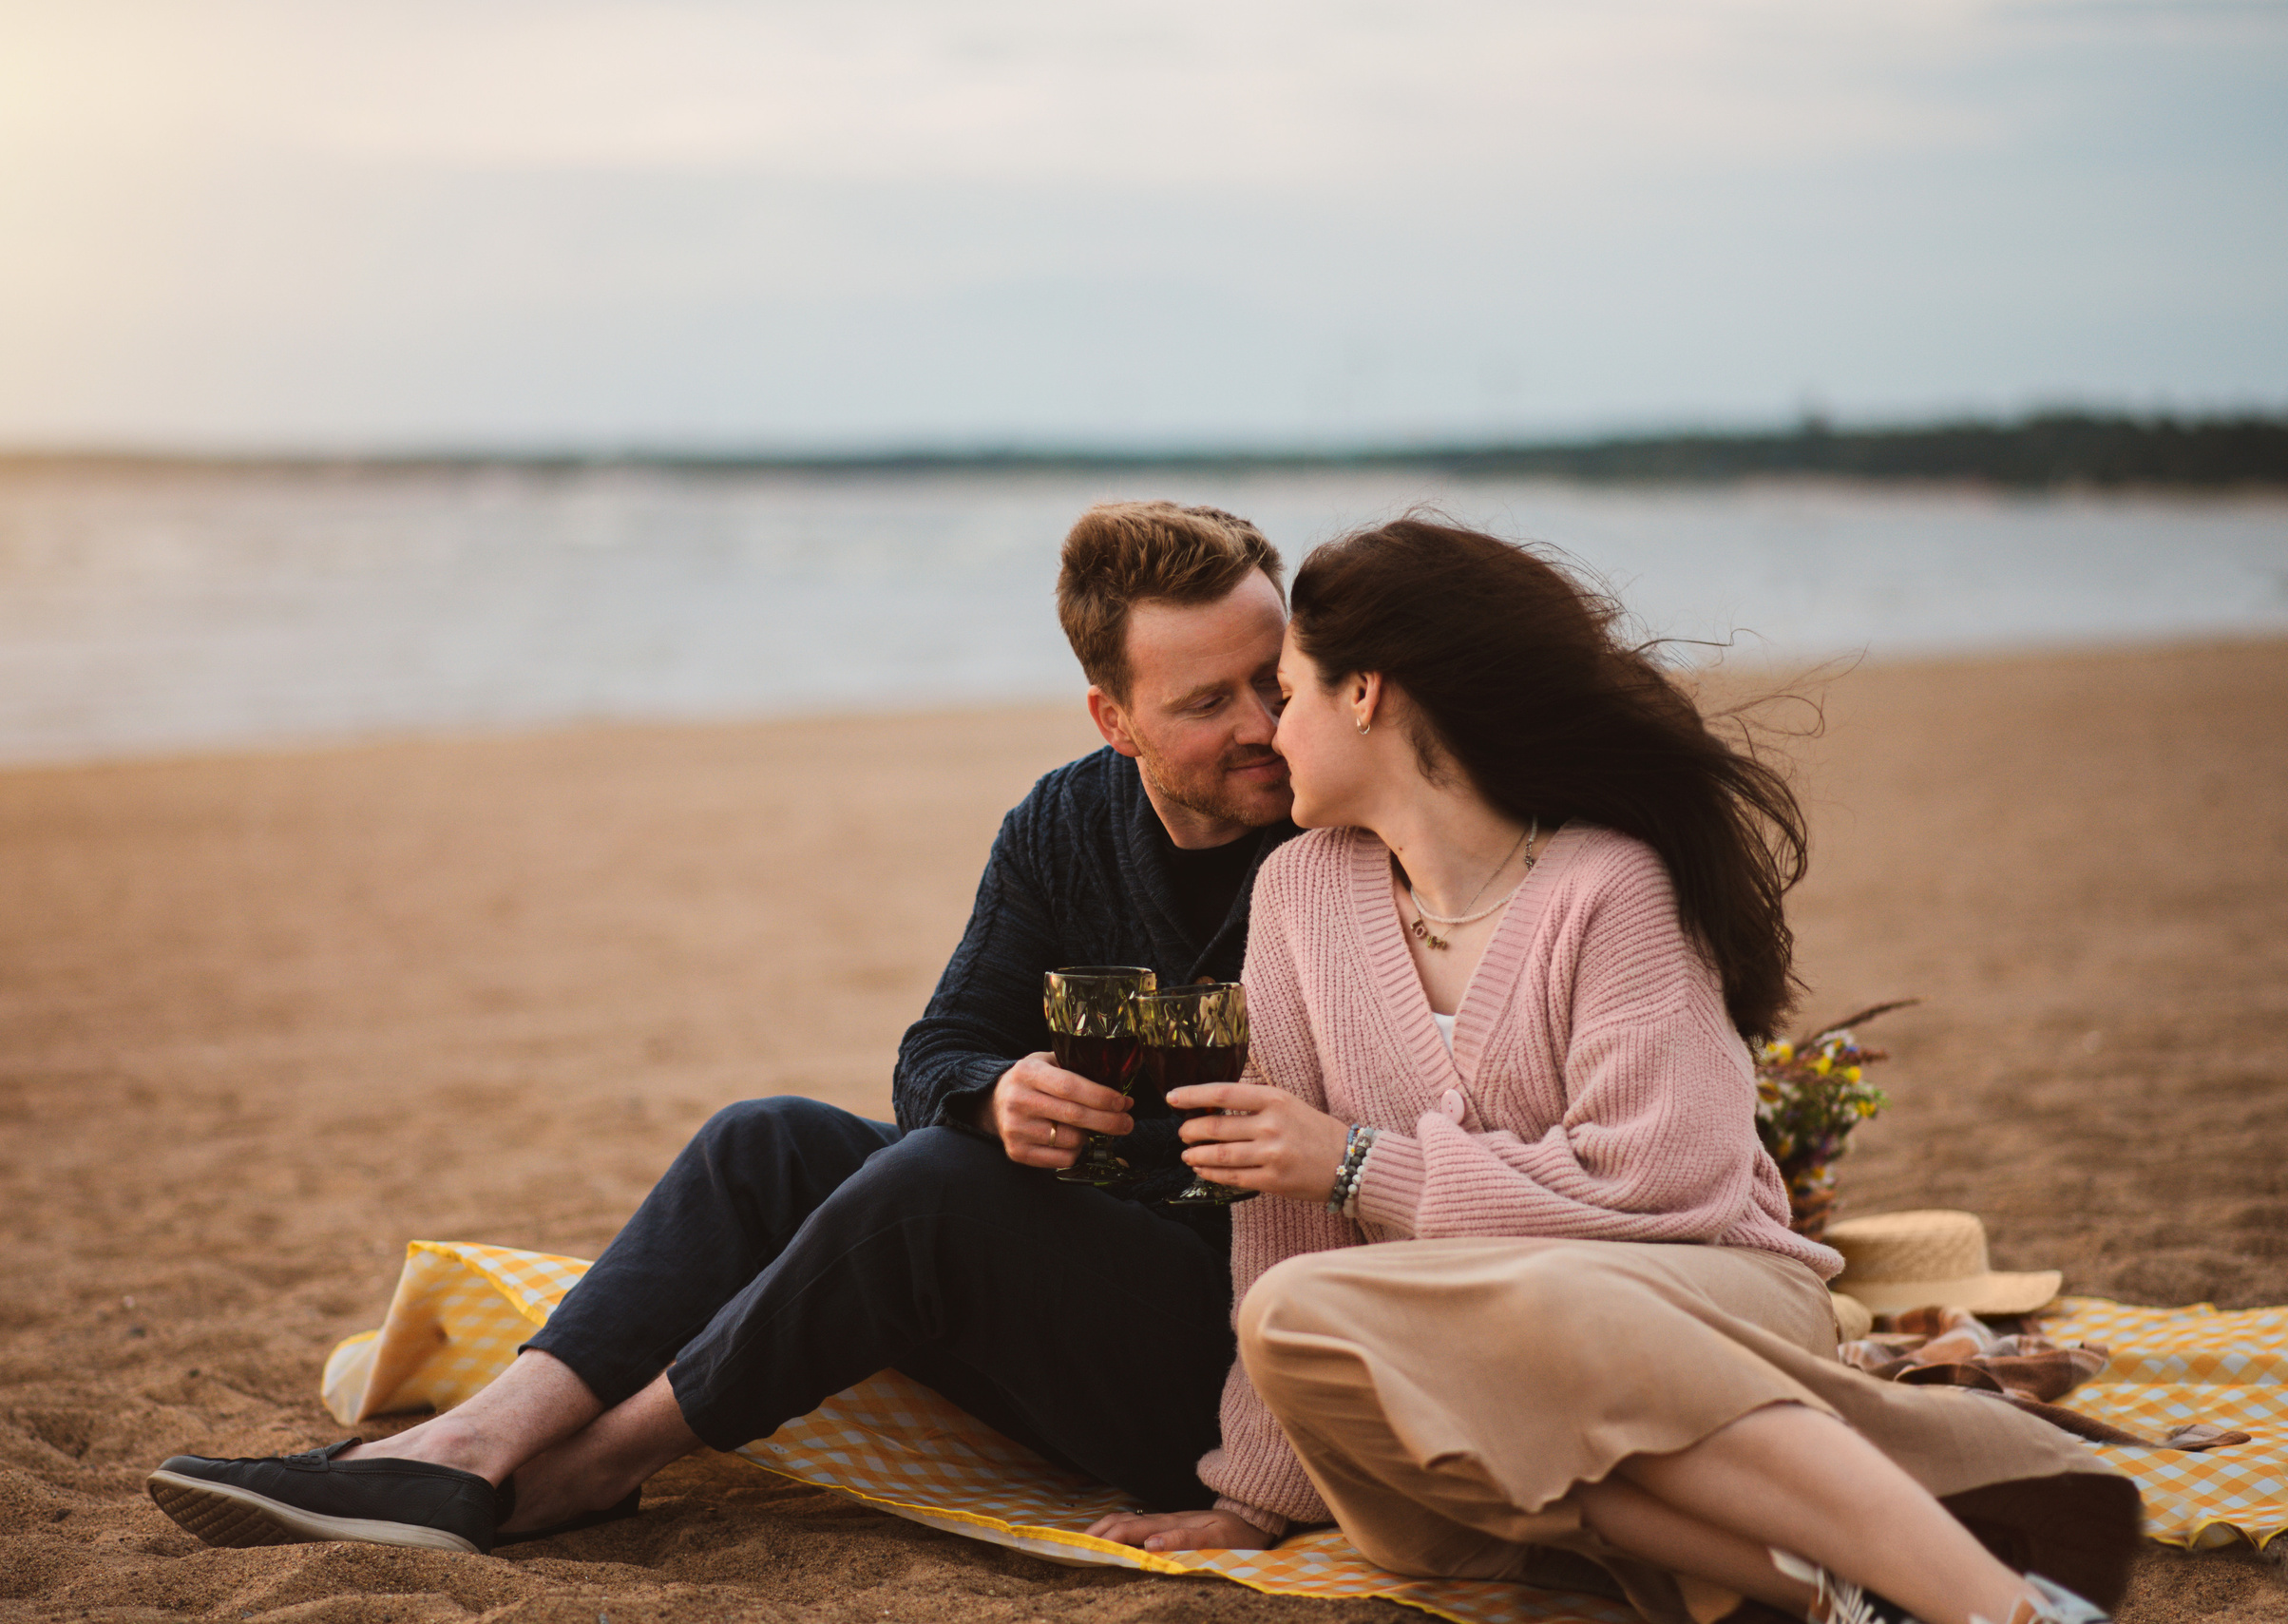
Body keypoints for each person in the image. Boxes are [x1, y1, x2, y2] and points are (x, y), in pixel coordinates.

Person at [145, 500, 1302, 1554]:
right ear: (1115, 720)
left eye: (1276, 678)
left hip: (1226, 1375)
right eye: (1208, 702)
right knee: (767, 1139)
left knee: (938, 1185)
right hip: (1047, 1302)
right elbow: (935, 1051)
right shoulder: (1063, 819)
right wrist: (994, 1092)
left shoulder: (1331, 839)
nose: (1263, 725)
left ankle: (594, 1467)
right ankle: (469, 1443)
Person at [1083, 519, 2137, 1624]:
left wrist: (1360, 1164)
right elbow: (1284, 1229)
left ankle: (2007, 1612)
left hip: (1699, 1304)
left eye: (1287, 690)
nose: (1268, 731)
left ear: (1365, 694)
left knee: (1525, 1309)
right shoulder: (1298, 893)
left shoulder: (1610, 884)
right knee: (1297, 1312)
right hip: (1483, 1382)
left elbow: (1666, 1190)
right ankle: (1836, 1588)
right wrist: (1251, 1499)